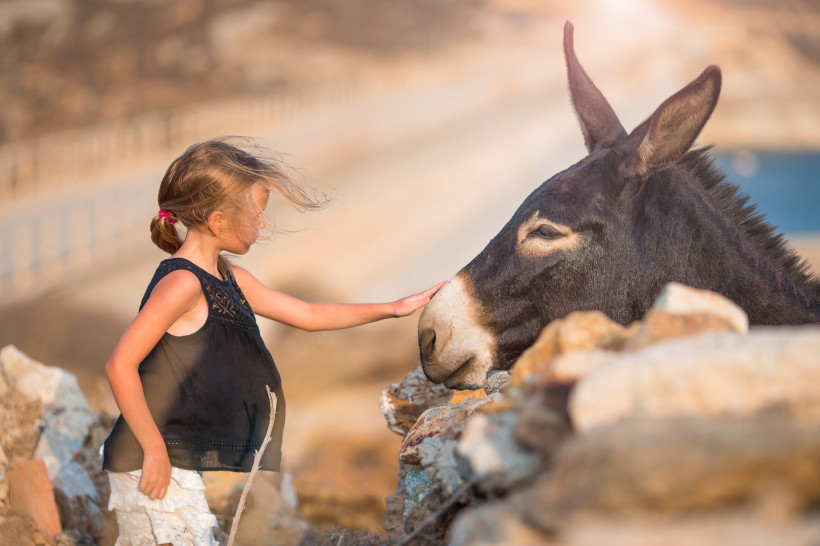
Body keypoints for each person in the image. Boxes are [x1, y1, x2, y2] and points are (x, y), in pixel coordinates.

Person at [101, 136, 444, 546]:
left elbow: (308, 315)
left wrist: (393, 307)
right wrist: (153, 448)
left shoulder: (231, 278)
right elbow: (119, 364)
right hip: (146, 457)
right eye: (256, 213)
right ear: (217, 220)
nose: (262, 224)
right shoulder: (182, 284)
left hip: (171, 457)